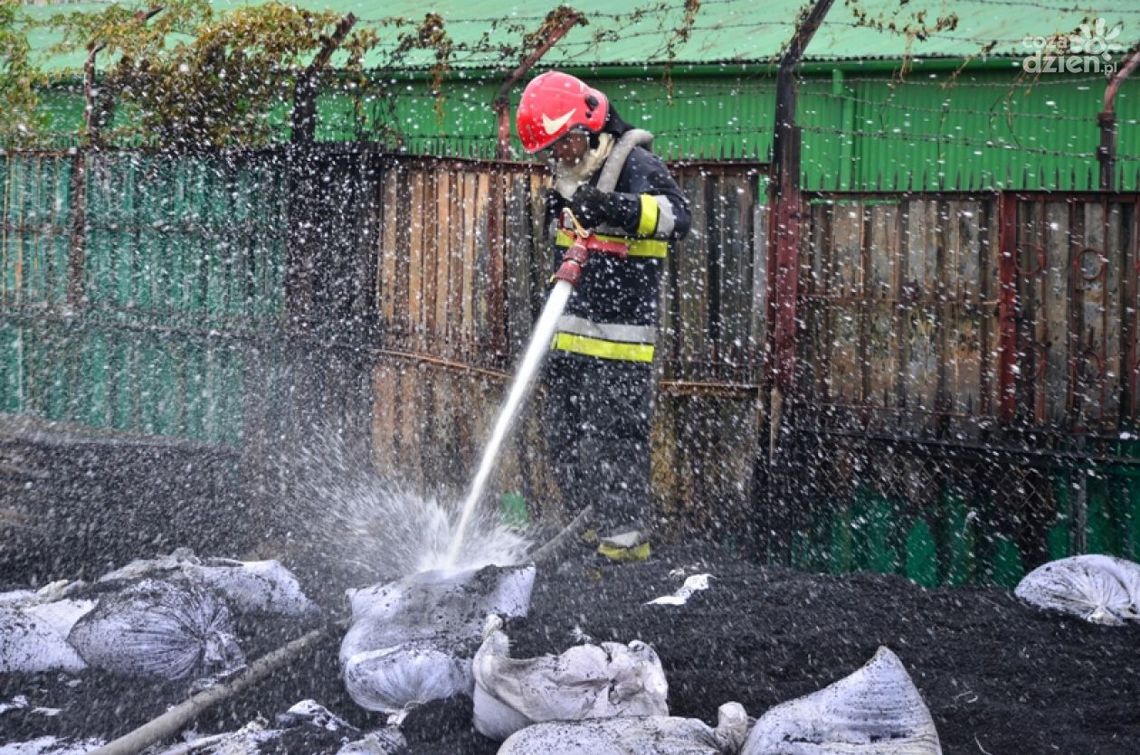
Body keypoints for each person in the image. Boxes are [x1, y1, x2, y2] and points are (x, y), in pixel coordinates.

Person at [515, 71, 691, 562]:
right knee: (565, 439)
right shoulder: (569, 175)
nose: (557, 157)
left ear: (587, 127)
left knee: (615, 440)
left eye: (562, 145)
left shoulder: (634, 163)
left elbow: (679, 218)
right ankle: (587, 531)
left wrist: (616, 206)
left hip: (621, 338)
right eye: (550, 150)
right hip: (570, 337)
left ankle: (625, 543)